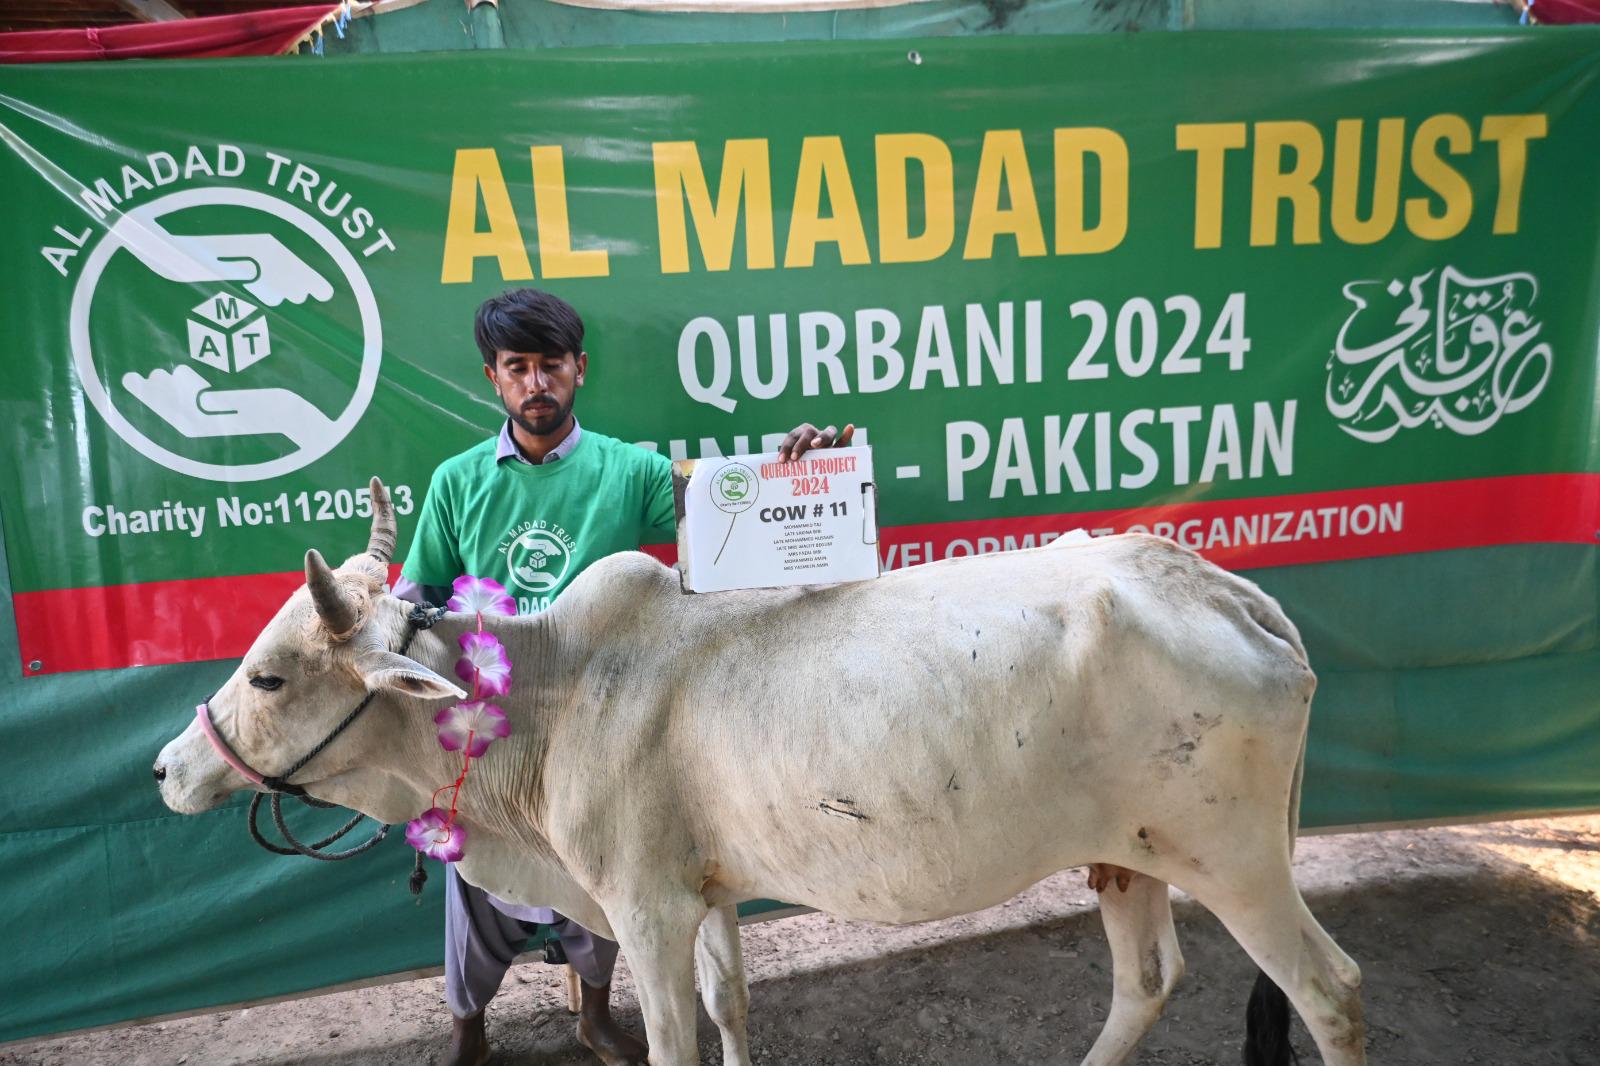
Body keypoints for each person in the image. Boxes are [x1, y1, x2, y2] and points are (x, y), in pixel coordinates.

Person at [393, 287, 852, 1066]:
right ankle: (468, 1027)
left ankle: (596, 1016)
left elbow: (731, 518)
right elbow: (416, 597)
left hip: (597, 722)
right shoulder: (456, 481)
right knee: (474, 883)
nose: (536, 382)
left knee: (609, 874)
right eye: (517, 367)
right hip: (493, 724)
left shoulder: (629, 469)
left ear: (580, 368)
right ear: (492, 377)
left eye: (551, 365)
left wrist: (798, 472)